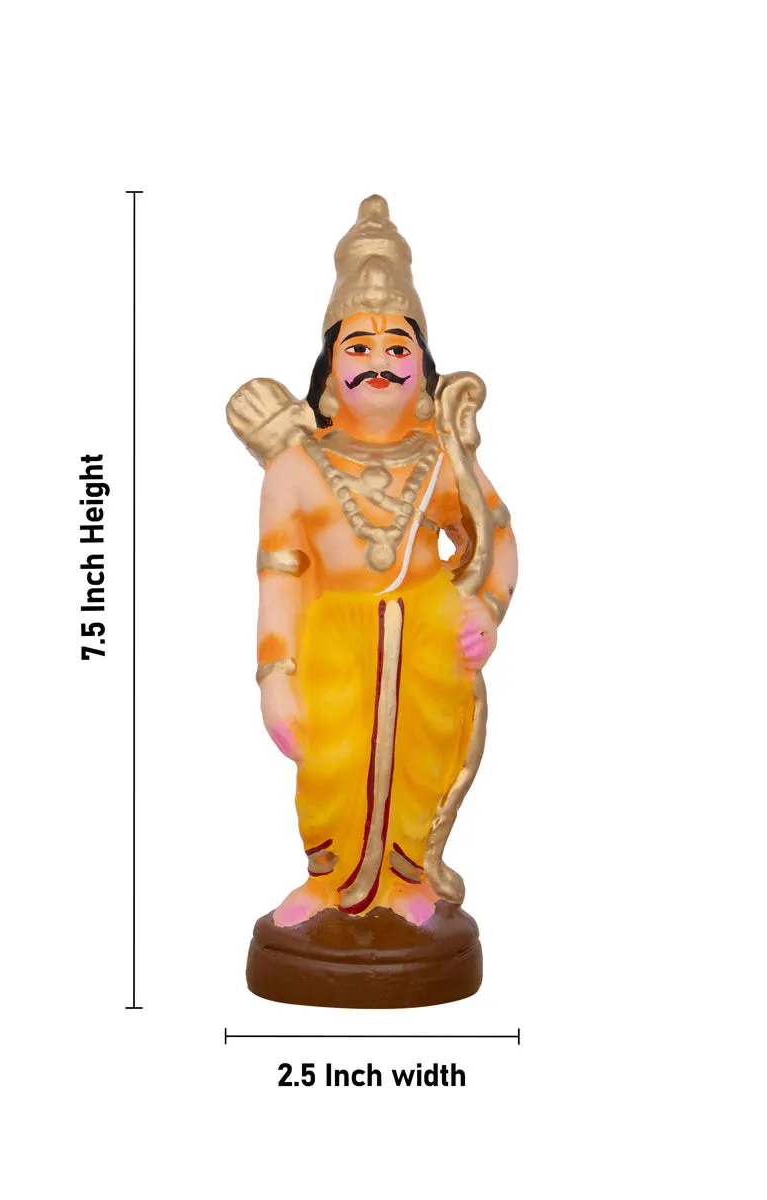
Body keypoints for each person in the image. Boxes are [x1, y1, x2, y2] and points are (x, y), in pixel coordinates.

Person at [228, 196, 518, 929]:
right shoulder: (296, 468)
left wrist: (486, 608)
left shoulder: (442, 458)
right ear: (331, 368)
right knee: (331, 765)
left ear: (424, 367)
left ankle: (408, 878)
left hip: (429, 639)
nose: (380, 363)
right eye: (359, 348)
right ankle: (327, 881)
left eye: (398, 348)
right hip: (334, 646)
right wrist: (274, 676)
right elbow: (278, 580)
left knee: (421, 757)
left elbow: (498, 539)